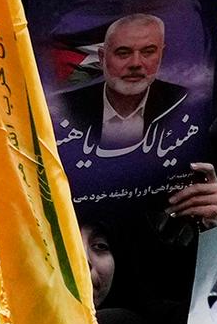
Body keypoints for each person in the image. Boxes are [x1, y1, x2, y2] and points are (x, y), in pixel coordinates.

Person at [48, 10, 203, 190]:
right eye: (123, 53)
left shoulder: (185, 103)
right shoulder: (63, 108)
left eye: (148, 52)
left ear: (161, 54)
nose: (136, 63)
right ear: (102, 57)